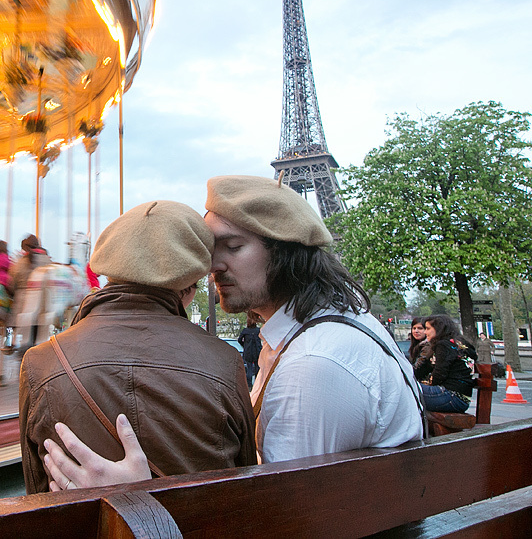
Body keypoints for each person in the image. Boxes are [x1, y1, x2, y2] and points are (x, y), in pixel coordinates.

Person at [42, 175, 423, 490]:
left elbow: (285, 518)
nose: (212, 265)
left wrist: (141, 493)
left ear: (287, 253)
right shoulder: (326, 332)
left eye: (233, 246)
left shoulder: (313, 367)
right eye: (210, 249)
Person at [20, 200, 256, 493]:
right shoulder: (224, 362)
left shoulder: (40, 363)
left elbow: (38, 494)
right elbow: (246, 489)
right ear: (188, 286)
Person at [413, 315, 477, 413]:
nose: (425, 332)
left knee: (404, 391)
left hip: (452, 397)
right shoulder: (457, 343)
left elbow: (439, 375)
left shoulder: (444, 345)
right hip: (461, 399)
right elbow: (421, 370)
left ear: (439, 329)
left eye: (428, 328)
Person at [237, 312, 262, 389]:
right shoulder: (258, 330)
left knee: (249, 370)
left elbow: (239, 340)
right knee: (258, 369)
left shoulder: (245, 331)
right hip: (257, 351)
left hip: (248, 352)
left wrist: (245, 345)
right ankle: (257, 385)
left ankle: (249, 386)